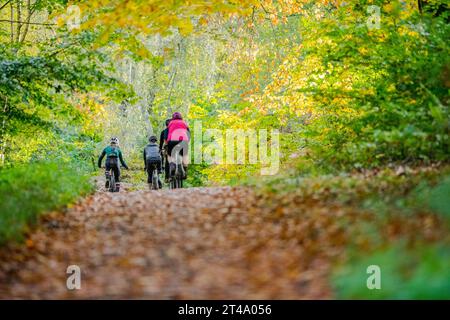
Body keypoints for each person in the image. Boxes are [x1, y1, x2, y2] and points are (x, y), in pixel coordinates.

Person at [167, 112, 190, 179]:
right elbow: (188, 133)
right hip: (183, 140)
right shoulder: (184, 123)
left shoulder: (170, 123)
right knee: (185, 155)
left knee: (169, 154)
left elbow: (168, 132)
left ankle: (172, 165)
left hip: (172, 141)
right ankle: (185, 169)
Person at [159, 119, 171, 183]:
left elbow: (161, 142)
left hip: (168, 147)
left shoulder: (163, 132)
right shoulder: (175, 131)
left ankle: (167, 177)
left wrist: (160, 149)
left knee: (167, 161)